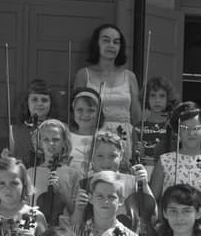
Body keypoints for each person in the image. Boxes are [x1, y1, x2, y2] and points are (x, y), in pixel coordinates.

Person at [74, 23, 141, 162]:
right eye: (106, 40)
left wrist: (138, 143)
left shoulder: (130, 76)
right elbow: (75, 112)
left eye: (116, 42)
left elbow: (136, 116)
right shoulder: (83, 74)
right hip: (93, 136)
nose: (111, 45)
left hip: (124, 138)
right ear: (96, 44)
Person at [70, 130, 149, 229]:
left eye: (112, 156)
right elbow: (74, 227)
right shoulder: (84, 185)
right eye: (100, 156)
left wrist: (144, 184)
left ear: (121, 155)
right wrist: (79, 209)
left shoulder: (133, 182)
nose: (106, 162)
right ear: (91, 158)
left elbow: (152, 216)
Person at [148, 101, 201, 200]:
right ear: (177, 131)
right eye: (185, 128)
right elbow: (152, 202)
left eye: (196, 128)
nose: (191, 133)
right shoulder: (165, 161)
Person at [27, 119, 81, 226]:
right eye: (46, 140)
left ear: (64, 143)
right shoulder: (29, 173)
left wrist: (63, 192)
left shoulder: (73, 174)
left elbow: (76, 213)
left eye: (56, 139)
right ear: (39, 143)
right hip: (37, 230)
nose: (51, 143)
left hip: (63, 230)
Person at [5, 79, 58, 167]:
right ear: (27, 103)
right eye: (34, 99)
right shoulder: (14, 131)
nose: (39, 103)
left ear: (51, 104)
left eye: (44, 100)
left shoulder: (60, 129)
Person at [135, 75, 179, 171]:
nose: (157, 100)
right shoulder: (138, 127)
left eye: (162, 96)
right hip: (144, 171)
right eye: (153, 95)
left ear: (168, 99)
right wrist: (139, 154)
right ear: (146, 98)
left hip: (167, 171)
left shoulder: (173, 128)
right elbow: (134, 159)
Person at [69, 87, 105, 173]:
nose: (85, 114)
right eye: (79, 110)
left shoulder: (104, 138)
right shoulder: (66, 136)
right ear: (73, 111)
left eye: (91, 110)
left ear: (99, 113)